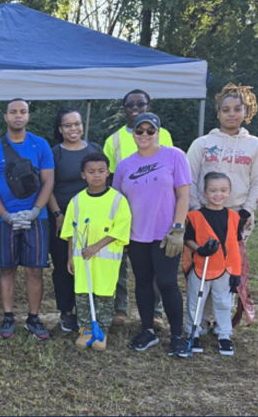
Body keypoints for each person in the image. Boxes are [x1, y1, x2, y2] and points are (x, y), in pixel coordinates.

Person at [185, 84, 258, 332]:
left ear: (246, 111)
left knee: (228, 268)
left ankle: (219, 320)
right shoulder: (203, 143)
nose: (231, 114)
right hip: (204, 214)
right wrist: (196, 210)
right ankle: (199, 320)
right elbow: (189, 177)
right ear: (218, 113)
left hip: (237, 217)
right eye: (225, 109)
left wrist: (245, 212)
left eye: (237, 109)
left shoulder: (256, 145)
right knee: (204, 264)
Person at [112, 113, 191, 357]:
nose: (144, 135)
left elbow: (184, 194)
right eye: (139, 130)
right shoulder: (125, 165)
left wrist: (178, 228)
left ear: (157, 132)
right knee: (143, 282)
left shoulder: (174, 155)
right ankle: (148, 330)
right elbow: (117, 202)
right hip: (136, 235)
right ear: (133, 133)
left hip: (166, 234)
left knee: (167, 283)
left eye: (150, 130)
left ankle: (177, 335)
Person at [0, 98, 56, 341]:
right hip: (5, 219)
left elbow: (48, 182)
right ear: (5, 117)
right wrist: (5, 215)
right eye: (13, 112)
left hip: (37, 216)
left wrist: (35, 211)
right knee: (7, 269)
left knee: (35, 270)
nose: (18, 116)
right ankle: (8, 315)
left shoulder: (41, 145)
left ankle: (33, 318)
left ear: (28, 116)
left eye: (23, 111)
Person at [102, 89, 174, 328]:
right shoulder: (112, 140)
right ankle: (119, 308)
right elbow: (109, 177)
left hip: (155, 213)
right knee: (119, 261)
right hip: (125, 212)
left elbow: (171, 174)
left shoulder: (164, 135)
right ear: (123, 109)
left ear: (148, 106)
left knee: (153, 265)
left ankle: (155, 312)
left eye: (140, 104)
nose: (135, 107)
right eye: (129, 104)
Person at [60, 153, 131, 351]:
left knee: (104, 294)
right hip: (82, 260)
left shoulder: (118, 200)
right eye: (91, 172)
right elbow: (70, 232)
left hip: (106, 261)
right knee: (83, 293)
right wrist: (70, 257)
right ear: (83, 175)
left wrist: (96, 247)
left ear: (108, 173)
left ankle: (102, 329)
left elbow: (120, 230)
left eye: (101, 171)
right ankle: (86, 329)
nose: (96, 176)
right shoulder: (77, 201)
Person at [46, 107, 103, 333]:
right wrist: (58, 215)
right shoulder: (53, 153)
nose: (73, 129)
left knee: (89, 263)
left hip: (92, 219)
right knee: (63, 266)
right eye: (67, 125)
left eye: (77, 124)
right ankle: (66, 312)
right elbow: (47, 186)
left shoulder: (95, 149)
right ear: (60, 129)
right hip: (62, 217)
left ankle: (87, 310)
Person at [183, 172, 243, 356]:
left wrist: (236, 272)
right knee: (196, 301)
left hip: (224, 269)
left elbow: (234, 245)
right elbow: (188, 239)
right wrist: (200, 249)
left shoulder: (234, 217)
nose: (218, 194)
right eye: (213, 190)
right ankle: (193, 332)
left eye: (223, 190)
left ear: (230, 191)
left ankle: (224, 334)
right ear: (204, 192)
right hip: (201, 267)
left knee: (223, 302)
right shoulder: (194, 216)